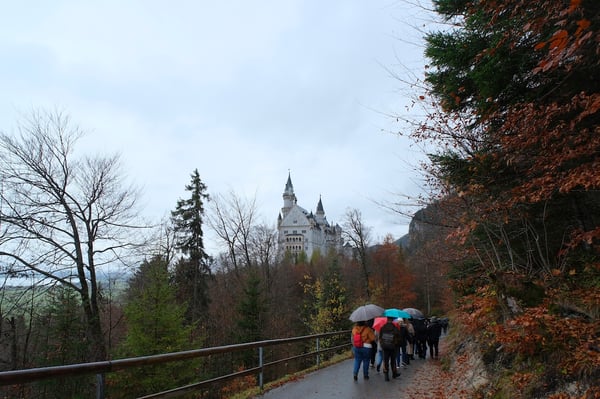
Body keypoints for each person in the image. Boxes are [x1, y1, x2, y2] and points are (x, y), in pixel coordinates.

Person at [378, 317, 401, 381]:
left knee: (386, 361)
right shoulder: (395, 328)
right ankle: (394, 373)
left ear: (387, 320)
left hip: (385, 347)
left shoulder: (382, 328)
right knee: (393, 361)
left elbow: (380, 337)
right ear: (392, 320)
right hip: (393, 347)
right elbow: (399, 337)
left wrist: (382, 344)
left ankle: (386, 375)